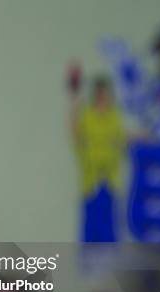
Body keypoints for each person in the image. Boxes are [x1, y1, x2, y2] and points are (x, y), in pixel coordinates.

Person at [68, 75, 127, 242]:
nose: (102, 99)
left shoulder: (114, 116)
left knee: (109, 223)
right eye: (99, 95)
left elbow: (120, 139)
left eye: (105, 95)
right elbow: (77, 136)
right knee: (91, 223)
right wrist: (74, 105)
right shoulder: (87, 115)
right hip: (91, 179)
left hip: (109, 179)